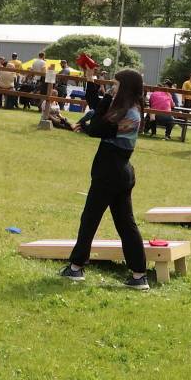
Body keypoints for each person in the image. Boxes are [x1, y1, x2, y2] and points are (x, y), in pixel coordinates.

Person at [61, 68, 149, 289]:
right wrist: (90, 81)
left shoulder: (128, 113)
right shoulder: (127, 108)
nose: (112, 88)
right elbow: (96, 108)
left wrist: (106, 98)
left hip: (110, 172)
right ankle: (139, 275)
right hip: (121, 172)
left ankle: (76, 267)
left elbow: (97, 127)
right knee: (126, 224)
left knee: (90, 218)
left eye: (116, 85)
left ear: (125, 87)